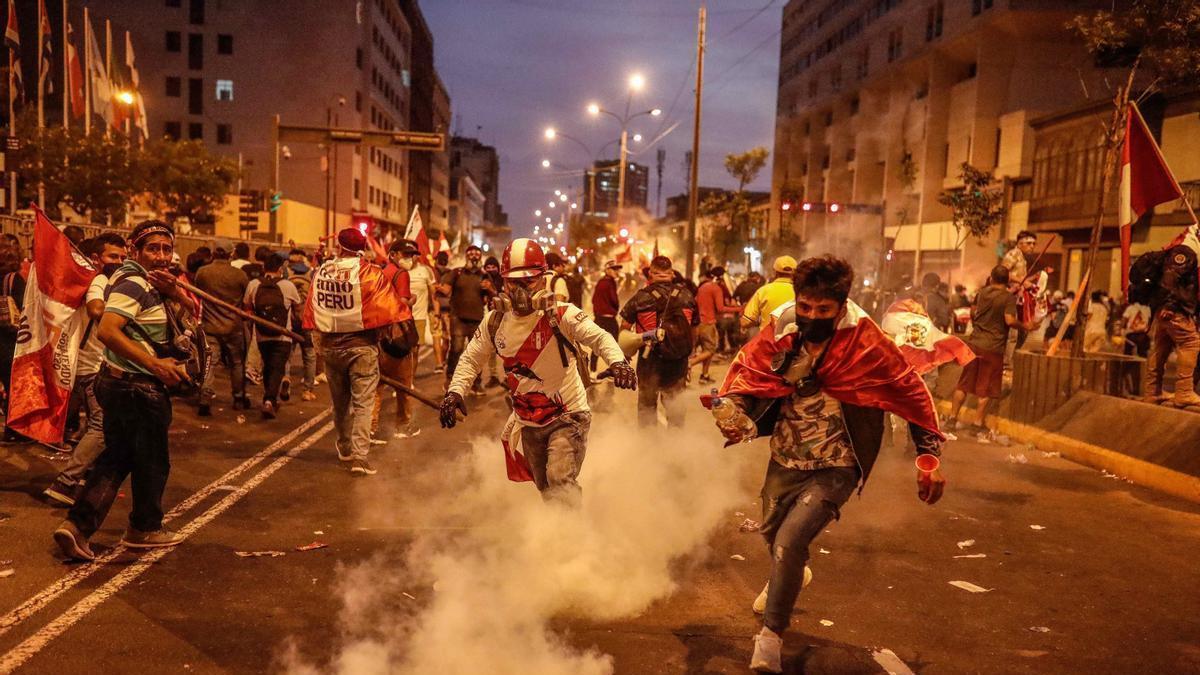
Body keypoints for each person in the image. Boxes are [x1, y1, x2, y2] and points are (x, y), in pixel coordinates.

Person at [707, 255, 944, 674]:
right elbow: (748, 373)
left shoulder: (866, 342)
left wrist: (928, 456)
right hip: (785, 458)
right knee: (774, 537)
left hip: (839, 463)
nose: (811, 316)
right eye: (805, 307)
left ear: (840, 306)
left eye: (823, 310)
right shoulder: (782, 328)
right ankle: (794, 571)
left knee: (788, 542)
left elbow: (910, 390)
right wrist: (734, 412)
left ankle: (770, 638)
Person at [439, 238, 635, 504]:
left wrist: (618, 362)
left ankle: (571, 540)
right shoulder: (494, 321)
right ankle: (553, 535)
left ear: (543, 280)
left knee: (560, 480)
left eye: (528, 281)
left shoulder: (562, 314)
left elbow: (600, 338)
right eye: (513, 282)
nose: (520, 291)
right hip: (528, 420)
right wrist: (455, 392)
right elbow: (471, 359)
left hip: (568, 415)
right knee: (545, 487)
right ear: (503, 282)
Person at [53, 221, 193, 560]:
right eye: (152, 249)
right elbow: (108, 331)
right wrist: (155, 365)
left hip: (123, 384)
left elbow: (189, 318)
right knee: (152, 463)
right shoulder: (132, 284)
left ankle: (76, 527)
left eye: (166, 249)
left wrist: (176, 294)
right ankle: (144, 528)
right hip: (136, 388)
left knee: (117, 458)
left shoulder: (151, 283)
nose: (161, 256)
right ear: (135, 250)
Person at [302, 227, 406, 475]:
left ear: (339, 246)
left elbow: (312, 307)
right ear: (362, 248)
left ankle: (345, 448)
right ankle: (360, 456)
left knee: (340, 404)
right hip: (361, 348)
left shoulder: (322, 272)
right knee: (363, 404)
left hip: (330, 348)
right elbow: (388, 310)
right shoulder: (370, 273)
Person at [43, 233, 127, 506]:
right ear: (96, 258)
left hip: (84, 365)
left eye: (124, 257)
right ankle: (65, 482)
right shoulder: (99, 281)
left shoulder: (97, 280)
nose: (119, 261)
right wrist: (124, 312)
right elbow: (95, 309)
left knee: (99, 424)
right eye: (113, 256)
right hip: (92, 366)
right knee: (102, 424)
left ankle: (84, 477)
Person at [947, 265, 1040, 435]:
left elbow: (974, 313)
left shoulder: (981, 293)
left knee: (964, 383)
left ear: (991, 277)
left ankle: (952, 418)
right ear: (1007, 280)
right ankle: (977, 423)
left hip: (974, 343)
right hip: (993, 347)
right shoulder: (1008, 298)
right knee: (986, 388)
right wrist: (1026, 325)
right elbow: (1010, 320)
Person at [619, 255, 698, 428]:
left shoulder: (641, 297)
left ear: (651, 274)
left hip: (650, 358)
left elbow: (624, 327)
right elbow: (694, 328)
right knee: (675, 405)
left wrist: (626, 352)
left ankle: (649, 447)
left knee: (647, 404)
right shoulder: (686, 295)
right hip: (678, 360)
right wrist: (688, 353)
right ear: (671, 274)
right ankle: (675, 446)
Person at [244, 254, 303, 419]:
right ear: (280, 269)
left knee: (269, 367)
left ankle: (270, 398)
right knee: (277, 368)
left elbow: (247, 308)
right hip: (283, 336)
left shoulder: (253, 284)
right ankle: (269, 400)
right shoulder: (289, 286)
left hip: (262, 335)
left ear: (264, 268)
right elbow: (298, 310)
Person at [371, 241, 419, 441]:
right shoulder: (401, 274)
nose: (410, 258)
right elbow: (402, 304)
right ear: (392, 254)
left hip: (377, 336)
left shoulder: (380, 273)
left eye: (412, 254)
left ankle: (370, 428)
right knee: (403, 386)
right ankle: (402, 425)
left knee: (376, 387)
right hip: (396, 337)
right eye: (405, 254)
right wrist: (412, 299)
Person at [194, 246, 251, 414]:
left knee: (209, 363)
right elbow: (246, 298)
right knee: (236, 363)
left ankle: (205, 395)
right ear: (231, 253)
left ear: (213, 253)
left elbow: (198, 293)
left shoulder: (203, 273)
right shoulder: (239, 275)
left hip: (210, 326)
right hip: (234, 326)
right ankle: (239, 398)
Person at [1144, 244, 1200, 407]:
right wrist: (1169, 305)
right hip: (1174, 310)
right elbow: (1171, 276)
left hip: (1167, 309)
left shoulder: (1185, 252)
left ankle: (1153, 392)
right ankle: (1184, 392)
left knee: (1161, 347)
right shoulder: (1186, 251)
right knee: (1191, 343)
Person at [438, 245, 490, 393]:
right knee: (456, 349)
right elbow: (446, 289)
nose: (474, 256)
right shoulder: (457, 272)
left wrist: (489, 288)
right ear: (466, 256)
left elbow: (492, 294)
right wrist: (440, 289)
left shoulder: (484, 275)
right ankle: (450, 379)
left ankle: (477, 383)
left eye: (477, 253)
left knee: (476, 352)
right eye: (471, 253)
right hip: (458, 318)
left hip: (477, 319)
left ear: (480, 257)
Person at [692, 266, 740, 384]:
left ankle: (705, 375)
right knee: (711, 350)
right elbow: (720, 308)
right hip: (708, 323)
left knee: (705, 349)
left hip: (698, 323)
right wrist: (738, 309)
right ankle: (690, 364)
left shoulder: (703, 286)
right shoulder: (716, 288)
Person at [285, 249, 319, 401]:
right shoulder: (312, 274)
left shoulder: (286, 274)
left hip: (290, 320)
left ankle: (285, 378)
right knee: (309, 355)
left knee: (288, 353)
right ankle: (307, 390)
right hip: (307, 320)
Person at [742, 257, 797, 330]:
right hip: (794, 339)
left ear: (775, 272)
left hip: (769, 339)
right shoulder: (800, 292)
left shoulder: (763, 291)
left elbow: (745, 322)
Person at [431, 250, 451, 373]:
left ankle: (441, 361)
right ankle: (440, 362)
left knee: (442, 337)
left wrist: (440, 288)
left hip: (443, 310)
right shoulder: (434, 272)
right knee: (442, 337)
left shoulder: (448, 273)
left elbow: (446, 291)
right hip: (442, 309)